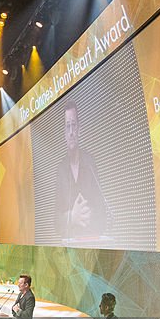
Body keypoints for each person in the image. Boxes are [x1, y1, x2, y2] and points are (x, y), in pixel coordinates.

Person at [54, 99, 108, 240]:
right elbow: (56, 222)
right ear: (64, 133)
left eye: (73, 125)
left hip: (92, 246)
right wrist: (72, 217)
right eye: (67, 127)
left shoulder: (90, 163)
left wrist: (89, 215)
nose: (71, 132)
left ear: (79, 128)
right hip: (69, 251)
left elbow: (103, 212)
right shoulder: (60, 170)